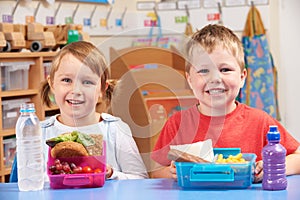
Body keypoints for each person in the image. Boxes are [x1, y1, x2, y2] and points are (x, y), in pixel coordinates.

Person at [150, 24, 300, 182]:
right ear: (189, 80)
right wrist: (172, 172)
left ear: (242, 77)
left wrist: (272, 166)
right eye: (203, 71)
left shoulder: (260, 121)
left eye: (225, 70)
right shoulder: (177, 124)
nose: (215, 79)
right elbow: (156, 172)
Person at [11, 41, 148, 181]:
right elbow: (23, 183)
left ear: (102, 89)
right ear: (52, 84)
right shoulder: (39, 133)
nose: (76, 90)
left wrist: (112, 174)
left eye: (87, 82)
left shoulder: (115, 130)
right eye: (66, 80)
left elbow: (140, 179)